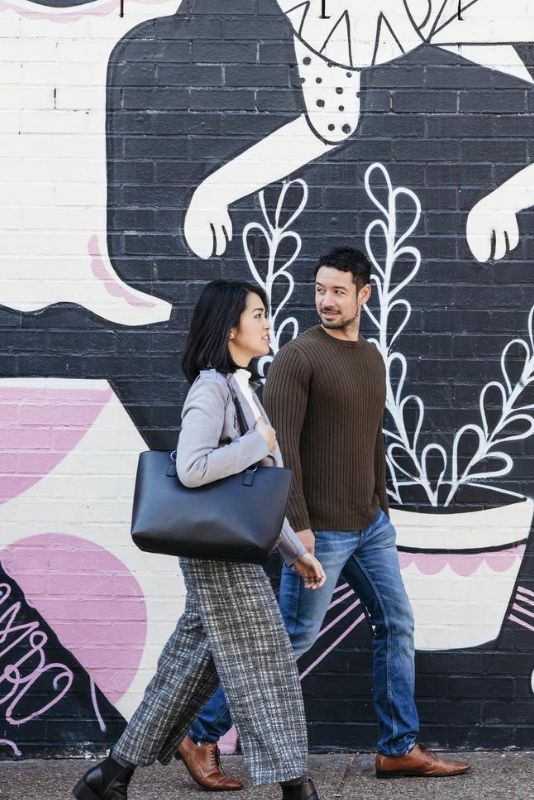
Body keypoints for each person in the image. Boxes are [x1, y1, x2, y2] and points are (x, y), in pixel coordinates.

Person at [182, 247, 469, 789]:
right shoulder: (298, 356)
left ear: (364, 294)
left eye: (338, 290)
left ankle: (398, 746)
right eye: (319, 289)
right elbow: (278, 447)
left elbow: (370, 441)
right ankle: (201, 734)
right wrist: (299, 522)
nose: (326, 300)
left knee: (396, 623)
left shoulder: (370, 358)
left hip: (371, 525)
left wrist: (382, 504)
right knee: (290, 638)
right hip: (323, 529)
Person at [72, 280, 328, 800]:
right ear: (231, 327)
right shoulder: (211, 388)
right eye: (257, 314)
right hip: (217, 556)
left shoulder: (240, 387)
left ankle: (110, 775)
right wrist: (259, 441)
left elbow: (251, 493)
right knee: (266, 659)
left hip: (225, 551)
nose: (265, 322)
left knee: (190, 668)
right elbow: (191, 469)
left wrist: (294, 552)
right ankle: (297, 787)